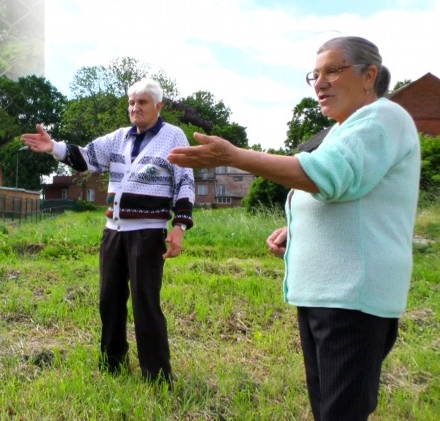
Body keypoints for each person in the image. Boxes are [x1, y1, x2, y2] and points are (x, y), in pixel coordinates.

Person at [167, 36, 420, 419]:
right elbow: (345, 193)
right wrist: (298, 228)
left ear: (369, 75)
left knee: (340, 413)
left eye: (332, 71)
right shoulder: (343, 130)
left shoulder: (382, 118)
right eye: (314, 75)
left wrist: (235, 156)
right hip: (327, 295)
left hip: (352, 297)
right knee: (328, 409)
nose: (320, 83)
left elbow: (328, 177)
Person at [21, 78, 196, 385]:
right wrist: (54, 148)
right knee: (109, 301)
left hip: (147, 232)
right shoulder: (119, 138)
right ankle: (112, 365)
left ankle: (156, 375)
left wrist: (179, 226)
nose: (135, 108)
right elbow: (87, 156)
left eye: (142, 102)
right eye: (131, 103)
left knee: (146, 305)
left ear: (158, 106)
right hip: (113, 231)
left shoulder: (173, 137)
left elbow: (185, 182)